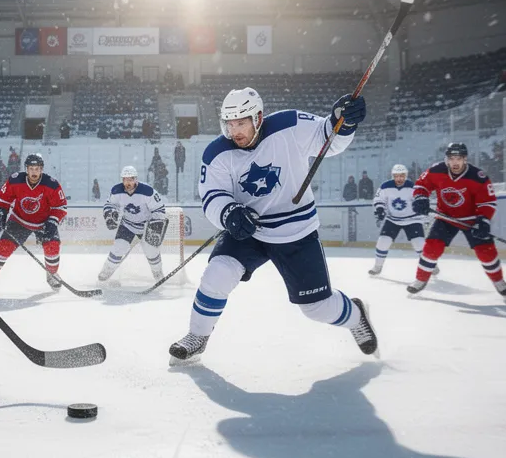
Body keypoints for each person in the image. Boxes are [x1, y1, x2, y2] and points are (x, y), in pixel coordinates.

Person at [167, 87, 377, 365]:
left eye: (241, 123)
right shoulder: (217, 152)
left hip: (296, 232)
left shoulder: (290, 125)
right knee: (217, 274)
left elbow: (330, 140)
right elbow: (212, 196)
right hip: (248, 230)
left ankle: (355, 315)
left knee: (317, 308)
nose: (235, 131)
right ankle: (197, 337)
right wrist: (228, 213)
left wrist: (343, 122)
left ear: (259, 118)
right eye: (229, 124)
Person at [408, 142, 506, 296]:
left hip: (472, 219)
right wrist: (420, 197)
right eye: (451, 158)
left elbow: (487, 202)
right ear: (447, 159)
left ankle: (498, 280)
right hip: (445, 217)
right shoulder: (436, 170)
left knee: (486, 251)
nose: (455, 162)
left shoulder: (478, 177)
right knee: (431, 247)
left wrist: (483, 220)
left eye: (459, 158)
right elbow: (422, 185)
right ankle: (420, 280)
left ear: (465, 159)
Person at [0, 153, 67, 291]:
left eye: (37, 169)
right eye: (31, 168)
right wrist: (1, 212)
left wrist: (52, 223)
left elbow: (60, 206)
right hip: (19, 221)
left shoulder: (51, 184)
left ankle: (52, 274)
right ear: (26, 169)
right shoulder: (15, 180)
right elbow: (3, 198)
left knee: (52, 247)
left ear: (41, 169)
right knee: (3, 248)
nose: (34, 172)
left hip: (43, 223)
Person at [97, 166, 167, 284]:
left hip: (146, 227)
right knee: (118, 248)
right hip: (127, 225)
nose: (127, 182)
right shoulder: (116, 190)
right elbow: (110, 204)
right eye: (125, 179)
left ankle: (158, 273)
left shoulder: (148, 191)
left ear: (136, 179)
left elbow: (159, 209)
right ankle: (107, 270)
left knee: (152, 252)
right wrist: (109, 214)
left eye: (130, 179)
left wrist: (155, 224)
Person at [368, 164, 432, 276]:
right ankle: (378, 266)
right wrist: (379, 209)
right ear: (393, 176)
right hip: (393, 219)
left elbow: (421, 200)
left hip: (413, 219)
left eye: (402, 176)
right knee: (383, 242)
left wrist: (422, 206)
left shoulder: (413, 187)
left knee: (419, 244)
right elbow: (379, 199)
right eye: (397, 176)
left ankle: (430, 266)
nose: (399, 178)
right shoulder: (385, 186)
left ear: (406, 176)